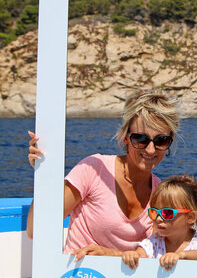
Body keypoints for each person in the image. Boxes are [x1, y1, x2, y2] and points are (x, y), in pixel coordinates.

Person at [27, 88, 180, 260]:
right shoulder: (93, 170)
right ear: (126, 138)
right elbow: (36, 229)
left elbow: (155, 253)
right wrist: (43, 176)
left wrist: (113, 255)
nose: (151, 149)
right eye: (141, 139)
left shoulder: (160, 194)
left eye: (161, 140)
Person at [122, 175, 197, 271]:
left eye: (167, 213)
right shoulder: (153, 242)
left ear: (190, 217)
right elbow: (141, 253)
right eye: (154, 212)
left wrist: (181, 256)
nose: (159, 218)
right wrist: (133, 255)